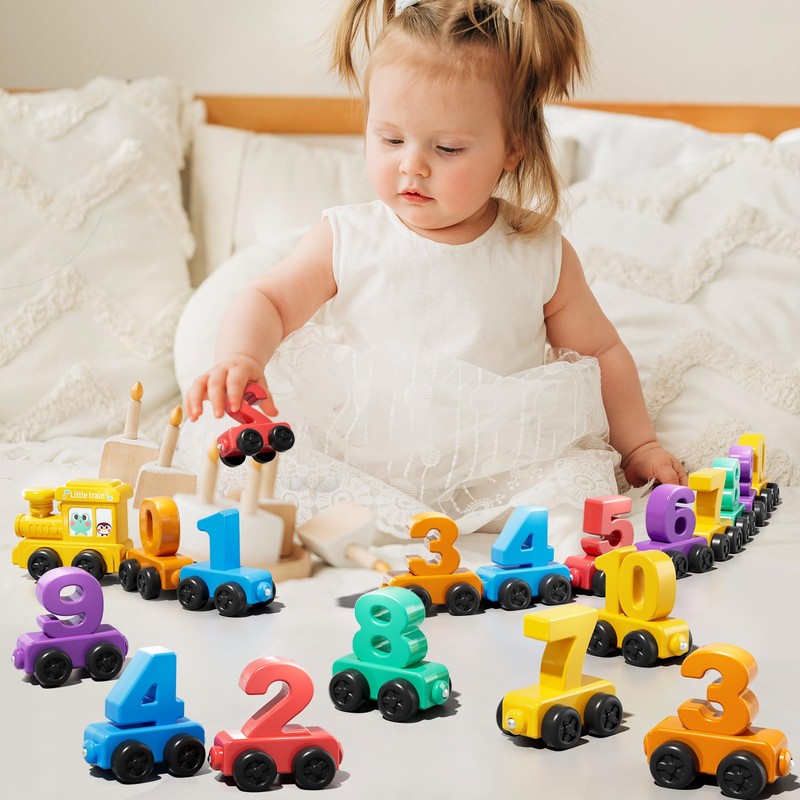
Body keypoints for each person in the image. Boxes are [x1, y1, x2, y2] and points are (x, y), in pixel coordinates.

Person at [185, 0, 686, 535]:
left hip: (498, 465)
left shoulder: (537, 250)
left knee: (567, 506)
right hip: (364, 456)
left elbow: (600, 353)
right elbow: (268, 300)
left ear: (512, 147)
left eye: (447, 148)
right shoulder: (350, 237)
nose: (412, 165)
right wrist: (241, 356)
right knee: (269, 484)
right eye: (390, 139)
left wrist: (639, 444)